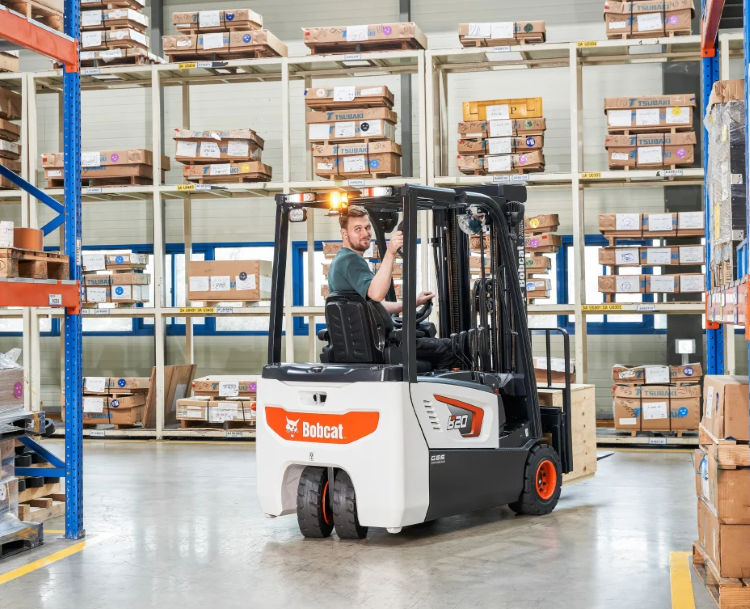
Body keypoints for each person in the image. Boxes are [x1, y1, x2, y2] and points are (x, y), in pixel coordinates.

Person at [327, 206, 456, 370]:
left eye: (367, 228)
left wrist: (412, 302)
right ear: (344, 234)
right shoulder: (351, 261)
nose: (365, 233)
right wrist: (390, 253)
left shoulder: (342, 260)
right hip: (378, 344)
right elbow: (377, 294)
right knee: (449, 348)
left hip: (366, 344)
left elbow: (372, 305)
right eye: (357, 229)